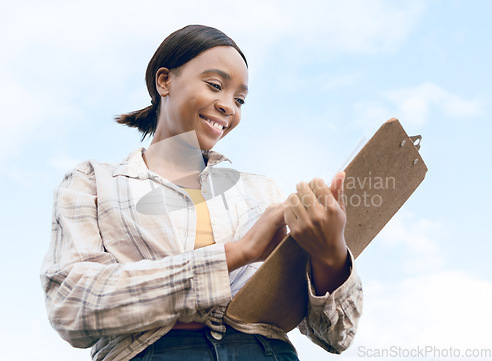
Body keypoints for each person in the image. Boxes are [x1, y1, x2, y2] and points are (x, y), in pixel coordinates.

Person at [40, 25, 363, 361]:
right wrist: (237, 253)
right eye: (215, 86)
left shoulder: (262, 191)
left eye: (239, 99)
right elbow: (71, 305)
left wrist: (330, 254)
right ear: (164, 81)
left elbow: (337, 334)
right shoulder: (94, 181)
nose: (229, 107)